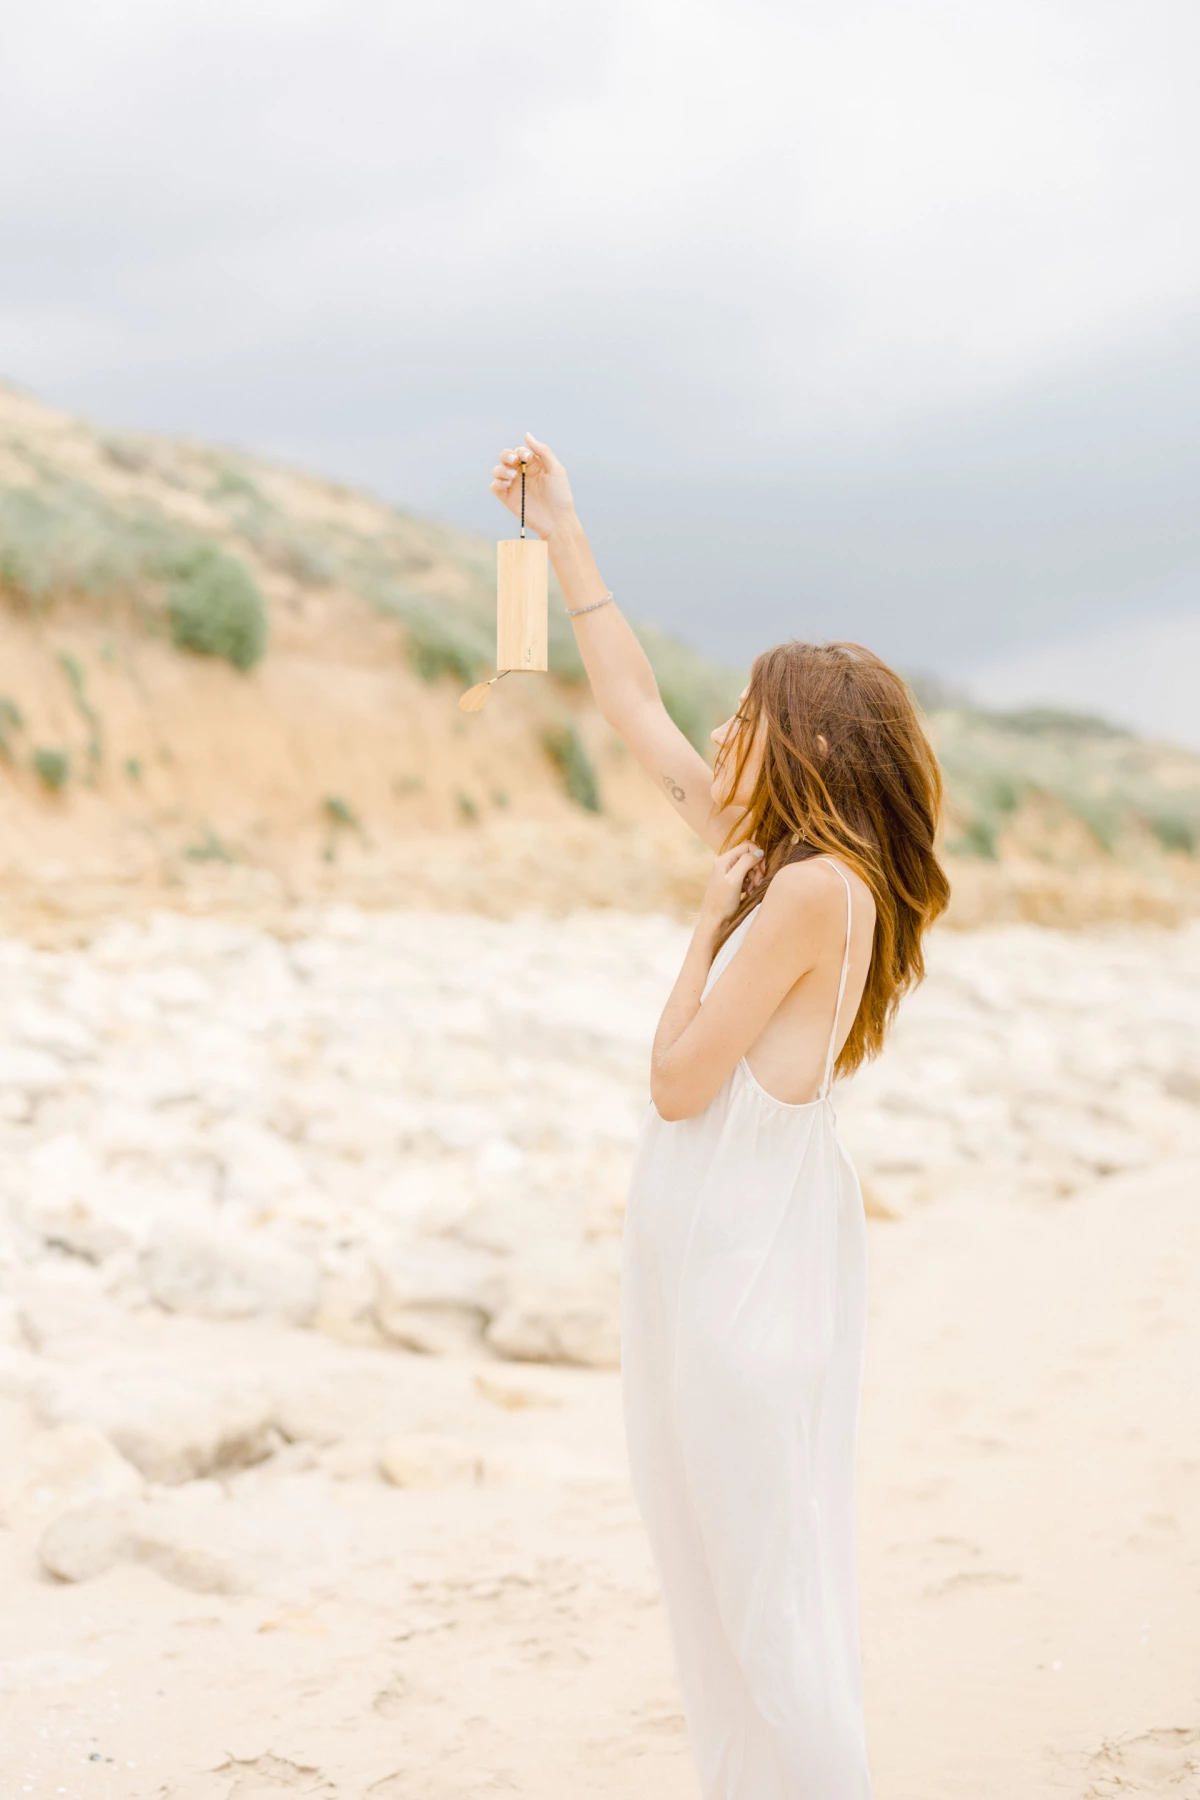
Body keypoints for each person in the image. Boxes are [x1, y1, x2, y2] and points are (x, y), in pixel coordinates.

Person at [490, 433, 949, 1800]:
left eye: (738, 720)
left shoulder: (805, 892)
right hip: (719, 1271)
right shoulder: (786, 867)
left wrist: (696, 930)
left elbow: (679, 1078)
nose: (711, 736)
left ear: (798, 742)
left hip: (743, 1292)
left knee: (769, 1611)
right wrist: (559, 528)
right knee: (729, 1597)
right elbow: (627, 699)